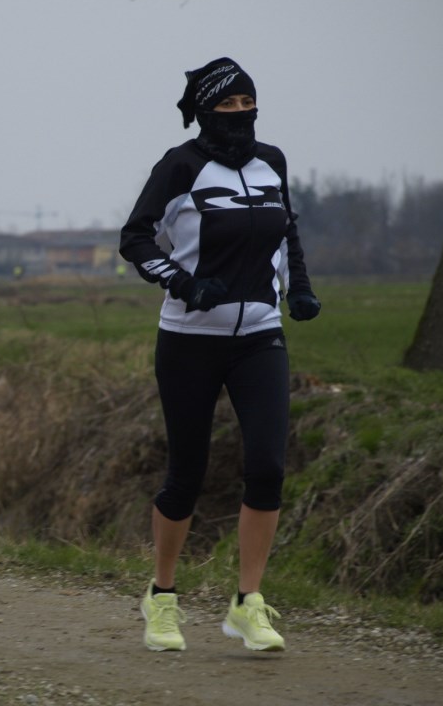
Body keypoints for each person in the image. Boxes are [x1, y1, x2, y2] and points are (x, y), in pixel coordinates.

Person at [119, 58, 321, 655]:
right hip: (189, 339)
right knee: (187, 475)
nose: (240, 113)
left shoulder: (272, 162)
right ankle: (162, 596)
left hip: (260, 336)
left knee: (268, 468)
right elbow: (134, 238)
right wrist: (184, 284)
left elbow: (286, 230)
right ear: (205, 110)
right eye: (228, 104)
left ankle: (247, 603)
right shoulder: (179, 166)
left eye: (247, 103)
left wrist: (300, 289)